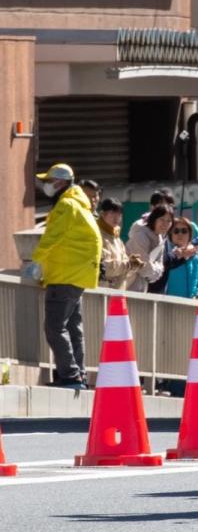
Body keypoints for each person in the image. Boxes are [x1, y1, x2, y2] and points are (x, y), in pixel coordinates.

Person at [31, 163, 102, 391]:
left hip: (64, 274)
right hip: (77, 275)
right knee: (72, 328)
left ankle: (70, 376)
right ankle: (77, 375)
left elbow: (53, 235)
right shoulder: (80, 204)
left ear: (60, 183)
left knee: (54, 327)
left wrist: (37, 260)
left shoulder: (66, 205)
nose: (46, 186)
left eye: (49, 182)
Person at [96, 197, 143, 290]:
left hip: (117, 291)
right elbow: (104, 267)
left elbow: (122, 265)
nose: (116, 218)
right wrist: (128, 265)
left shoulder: (117, 238)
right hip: (100, 291)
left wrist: (132, 262)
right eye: (112, 213)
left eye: (119, 214)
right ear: (102, 214)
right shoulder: (97, 234)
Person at [125, 204, 174, 293]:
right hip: (127, 285)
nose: (165, 224)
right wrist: (154, 269)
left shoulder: (160, 239)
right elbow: (144, 268)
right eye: (161, 219)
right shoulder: (141, 236)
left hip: (141, 287)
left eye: (169, 221)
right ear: (154, 219)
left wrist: (153, 269)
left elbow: (160, 269)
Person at [165, 217, 198, 299]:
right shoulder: (167, 257)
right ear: (171, 235)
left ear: (190, 235)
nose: (180, 234)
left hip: (191, 306)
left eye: (184, 231)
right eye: (176, 231)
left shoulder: (197, 259)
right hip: (168, 305)